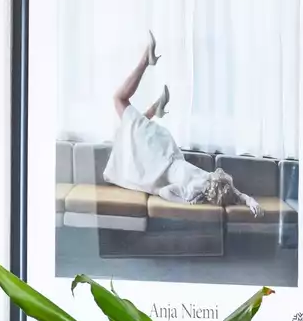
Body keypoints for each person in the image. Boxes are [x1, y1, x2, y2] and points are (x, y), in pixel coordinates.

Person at [103, 34, 256, 209]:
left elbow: (164, 192)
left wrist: (186, 201)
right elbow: (237, 193)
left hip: (161, 163)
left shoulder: (199, 187)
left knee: (122, 107)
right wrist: (250, 201)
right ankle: (154, 104)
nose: (217, 174)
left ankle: (146, 64)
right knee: (133, 128)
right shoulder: (208, 180)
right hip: (166, 158)